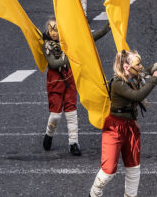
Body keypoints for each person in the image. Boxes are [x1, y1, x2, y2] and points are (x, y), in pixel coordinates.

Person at [89, 47, 157, 197]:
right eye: (138, 64)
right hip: (115, 127)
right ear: (127, 67)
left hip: (131, 126)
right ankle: (94, 193)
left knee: (133, 167)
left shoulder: (133, 76)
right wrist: (155, 80)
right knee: (109, 170)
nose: (141, 67)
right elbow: (137, 96)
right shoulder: (118, 83)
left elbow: (149, 70)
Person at [41, 17, 110, 156]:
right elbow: (53, 64)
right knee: (55, 115)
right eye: (51, 30)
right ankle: (49, 134)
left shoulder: (69, 41)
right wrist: (72, 55)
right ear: (47, 31)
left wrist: (107, 28)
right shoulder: (47, 45)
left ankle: (73, 143)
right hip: (55, 82)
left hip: (70, 79)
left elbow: (88, 40)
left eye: (57, 29)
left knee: (71, 113)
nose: (54, 33)